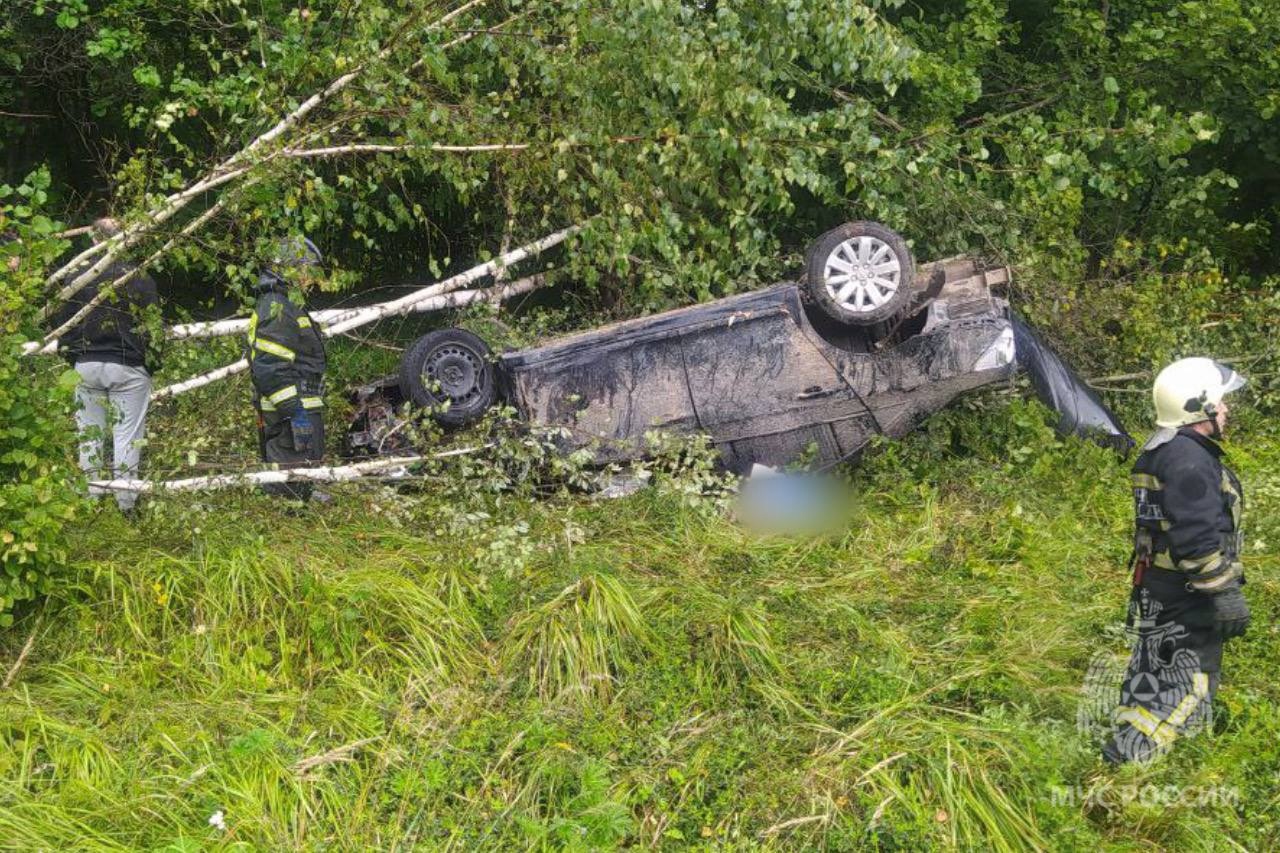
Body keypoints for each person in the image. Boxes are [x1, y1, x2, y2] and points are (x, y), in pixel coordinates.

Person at [1103, 357, 1250, 764]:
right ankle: (1131, 758)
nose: (1226, 410)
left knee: (1152, 666)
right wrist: (1224, 593)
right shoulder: (1189, 459)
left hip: (1158, 586)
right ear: (1199, 406)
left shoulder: (1160, 449)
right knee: (1190, 678)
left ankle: (1138, 734)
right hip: (1187, 594)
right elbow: (1196, 538)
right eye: (1220, 403)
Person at [49, 217, 162, 516]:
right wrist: (151, 364)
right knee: (127, 436)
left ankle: (92, 501)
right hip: (127, 365)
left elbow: (62, 324)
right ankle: (127, 506)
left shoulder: (77, 277)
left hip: (86, 364)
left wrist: (73, 359)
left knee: (90, 434)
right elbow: (154, 327)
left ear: (93, 241)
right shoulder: (139, 277)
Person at [247, 236, 327, 502]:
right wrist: (294, 411)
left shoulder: (286, 304)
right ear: (289, 267)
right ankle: (287, 534)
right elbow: (270, 367)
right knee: (288, 487)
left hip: (298, 409)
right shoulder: (277, 306)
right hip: (289, 414)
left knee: (301, 479)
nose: (310, 278)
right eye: (307, 269)